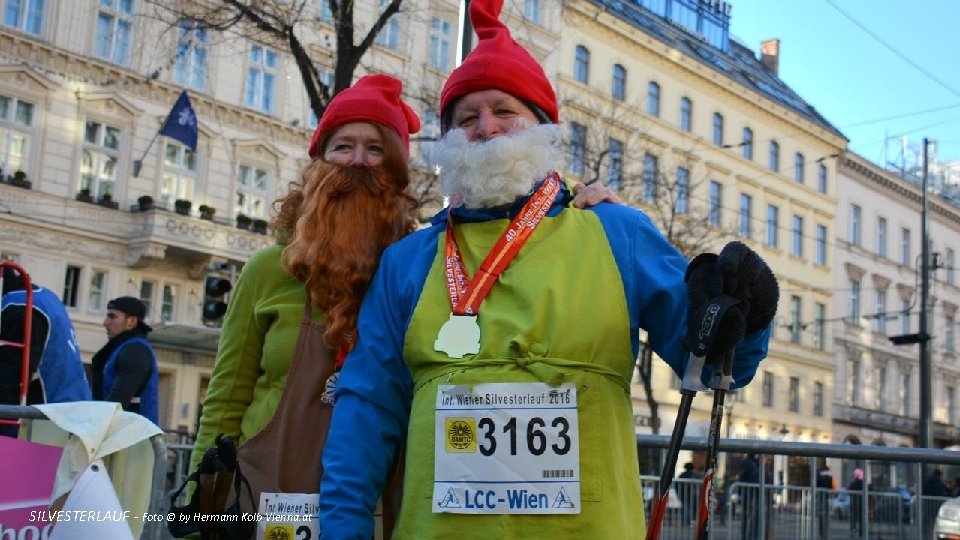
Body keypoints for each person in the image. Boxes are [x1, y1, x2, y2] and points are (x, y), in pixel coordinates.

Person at [317, 0, 778, 537]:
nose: (486, 128)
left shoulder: (617, 232)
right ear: (448, 141)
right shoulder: (408, 262)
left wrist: (749, 313)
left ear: (543, 125)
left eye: (504, 110)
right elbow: (367, 413)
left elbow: (710, 358)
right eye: (467, 118)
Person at [1, 264, 91, 436]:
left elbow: (12, 375)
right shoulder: (46, 297)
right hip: (72, 412)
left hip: (47, 419)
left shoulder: (19, 305)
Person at [91, 296, 159, 423]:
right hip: (126, 434)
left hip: (131, 436)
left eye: (112, 317)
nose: (105, 322)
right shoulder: (125, 348)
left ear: (132, 321)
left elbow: (117, 403)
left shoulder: (135, 351)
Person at [738, 454, 762, 540]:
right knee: (751, 519)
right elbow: (753, 479)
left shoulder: (754, 464)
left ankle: (747, 536)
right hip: (751, 495)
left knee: (749, 519)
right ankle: (749, 537)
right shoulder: (751, 464)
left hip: (750, 495)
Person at [815, 465, 833, 540]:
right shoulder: (829, 478)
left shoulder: (819, 477)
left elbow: (816, 486)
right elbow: (831, 487)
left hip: (820, 498)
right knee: (825, 516)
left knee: (821, 516)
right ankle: (825, 533)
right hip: (826, 498)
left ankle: (821, 532)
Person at [848, 467, 864, 539]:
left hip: (854, 504)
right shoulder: (864, 484)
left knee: (853, 518)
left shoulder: (853, 484)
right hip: (861, 504)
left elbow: (849, 492)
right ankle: (861, 533)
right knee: (861, 519)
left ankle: (853, 531)